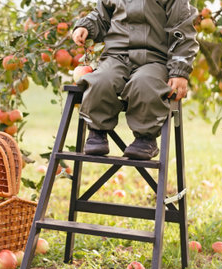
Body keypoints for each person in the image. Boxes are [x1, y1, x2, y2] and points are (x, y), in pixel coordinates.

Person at [72, 0, 199, 160]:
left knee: (145, 84)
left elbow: (183, 30)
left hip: (154, 58)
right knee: (100, 80)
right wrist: (86, 27)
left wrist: (179, 71)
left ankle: (146, 139)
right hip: (116, 56)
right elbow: (101, 16)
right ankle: (97, 131)